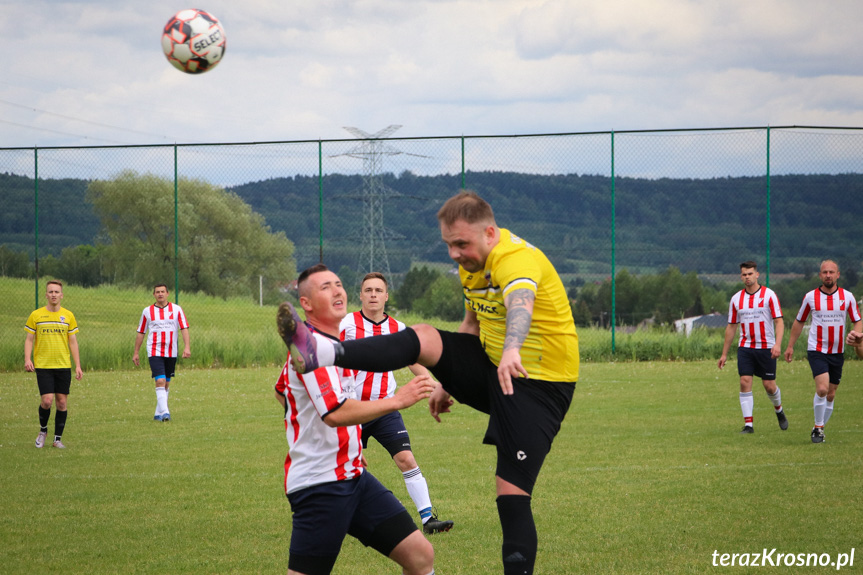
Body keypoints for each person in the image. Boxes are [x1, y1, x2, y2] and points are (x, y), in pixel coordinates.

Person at [278, 191, 579, 575]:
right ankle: (326, 353)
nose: (454, 253)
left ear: (490, 232)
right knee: (422, 336)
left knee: (510, 497)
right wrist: (448, 379)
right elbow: (471, 328)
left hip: (538, 383)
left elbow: (521, 300)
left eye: (461, 244)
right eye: (448, 244)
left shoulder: (515, 259)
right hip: (488, 367)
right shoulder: (473, 263)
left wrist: (512, 347)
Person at [274, 264, 435, 575]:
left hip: (355, 477)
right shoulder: (311, 351)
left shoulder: (338, 349)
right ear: (305, 304)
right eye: (325, 287)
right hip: (320, 484)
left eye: (338, 283)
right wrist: (398, 400)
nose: (337, 290)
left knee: (420, 555)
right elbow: (333, 413)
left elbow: (283, 392)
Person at [339, 272, 454, 534]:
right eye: (368, 290)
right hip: (350, 410)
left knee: (406, 459)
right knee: (341, 466)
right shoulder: (345, 324)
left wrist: (436, 386)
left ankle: (428, 520)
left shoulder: (399, 329)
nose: (373, 295)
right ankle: (332, 518)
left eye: (378, 291)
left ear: (386, 296)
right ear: (360, 295)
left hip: (385, 407)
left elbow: (413, 361)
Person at [784, 260, 861, 444]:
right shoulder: (811, 297)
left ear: (838, 274)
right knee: (822, 388)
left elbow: (857, 320)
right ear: (820, 275)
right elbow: (799, 321)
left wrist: (857, 334)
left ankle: (819, 428)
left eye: (831, 272)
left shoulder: (847, 297)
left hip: (837, 351)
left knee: (831, 394)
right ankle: (818, 429)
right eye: (824, 272)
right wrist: (790, 346)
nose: (828, 275)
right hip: (816, 349)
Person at [717, 261, 788, 433]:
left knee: (769, 385)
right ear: (741, 276)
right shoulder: (736, 299)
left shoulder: (769, 295)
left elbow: (779, 321)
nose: (747, 277)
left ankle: (778, 410)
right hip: (746, 348)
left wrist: (777, 344)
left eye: (750, 274)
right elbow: (732, 326)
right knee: (744, 381)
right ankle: (749, 424)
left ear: (757, 275)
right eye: (744, 274)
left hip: (766, 348)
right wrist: (724, 354)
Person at [24, 280, 83, 449]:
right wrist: (28, 359)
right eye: (50, 292)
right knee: (47, 401)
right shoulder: (36, 315)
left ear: (62, 295)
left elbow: (73, 342)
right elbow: (29, 339)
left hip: (63, 365)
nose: (54, 295)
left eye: (57, 292)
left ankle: (57, 439)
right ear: (46, 295)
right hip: (43, 365)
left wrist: (77, 365)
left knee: (62, 403)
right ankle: (43, 431)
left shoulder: (68, 316)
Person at [133, 284, 190, 422]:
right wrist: (136, 352)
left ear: (167, 293)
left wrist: (187, 347)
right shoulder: (147, 311)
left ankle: (158, 413)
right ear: (154, 294)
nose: (160, 294)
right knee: (160, 380)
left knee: (166, 383)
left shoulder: (176, 310)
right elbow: (141, 332)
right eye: (157, 292)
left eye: (162, 292)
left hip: (171, 351)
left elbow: (184, 328)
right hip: (154, 350)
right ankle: (165, 412)